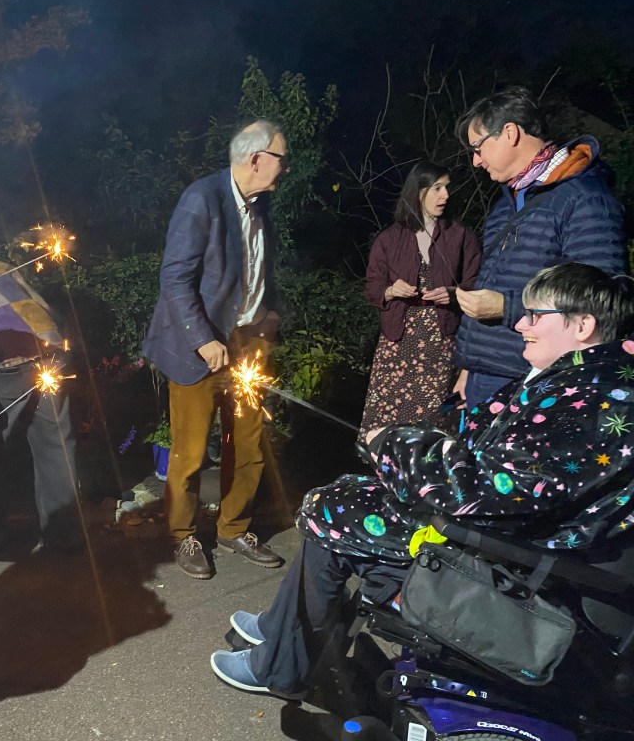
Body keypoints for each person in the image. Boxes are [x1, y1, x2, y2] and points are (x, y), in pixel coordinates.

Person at [210, 262, 634, 698]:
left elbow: (491, 491)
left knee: (332, 511)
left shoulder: (594, 403)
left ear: (583, 325)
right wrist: (402, 441)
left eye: (535, 315)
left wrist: (395, 447)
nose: (521, 324)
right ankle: (284, 630)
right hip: (497, 536)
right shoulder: (576, 381)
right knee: (339, 497)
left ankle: (283, 666)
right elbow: (475, 437)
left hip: (507, 566)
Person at [143, 120, 286, 580]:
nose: (286, 166)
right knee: (189, 452)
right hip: (198, 347)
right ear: (256, 158)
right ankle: (182, 534)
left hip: (247, 346)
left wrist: (270, 316)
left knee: (248, 445)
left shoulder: (261, 207)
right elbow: (174, 278)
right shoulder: (202, 200)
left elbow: (263, 272)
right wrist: (203, 339)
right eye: (281, 157)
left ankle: (233, 527)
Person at [452, 86, 626, 409]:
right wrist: (469, 368)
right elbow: (490, 283)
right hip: (484, 379)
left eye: (478, 147)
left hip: (537, 383)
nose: (475, 162)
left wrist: (507, 308)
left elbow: (603, 300)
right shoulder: (505, 205)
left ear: (509, 133)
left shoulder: (585, 199)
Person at [0, 244, 83, 553]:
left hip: (8, 361)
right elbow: (38, 304)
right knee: (56, 447)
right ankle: (63, 536)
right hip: (49, 353)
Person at [360, 160, 481, 437]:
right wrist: (391, 291)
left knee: (437, 415)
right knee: (389, 417)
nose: (445, 196)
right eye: (437, 188)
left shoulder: (461, 235)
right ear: (418, 191)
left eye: (447, 188)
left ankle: (435, 470)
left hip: (441, 340)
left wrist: (453, 293)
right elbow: (373, 286)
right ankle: (386, 470)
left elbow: (477, 282)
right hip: (398, 341)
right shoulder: (390, 238)